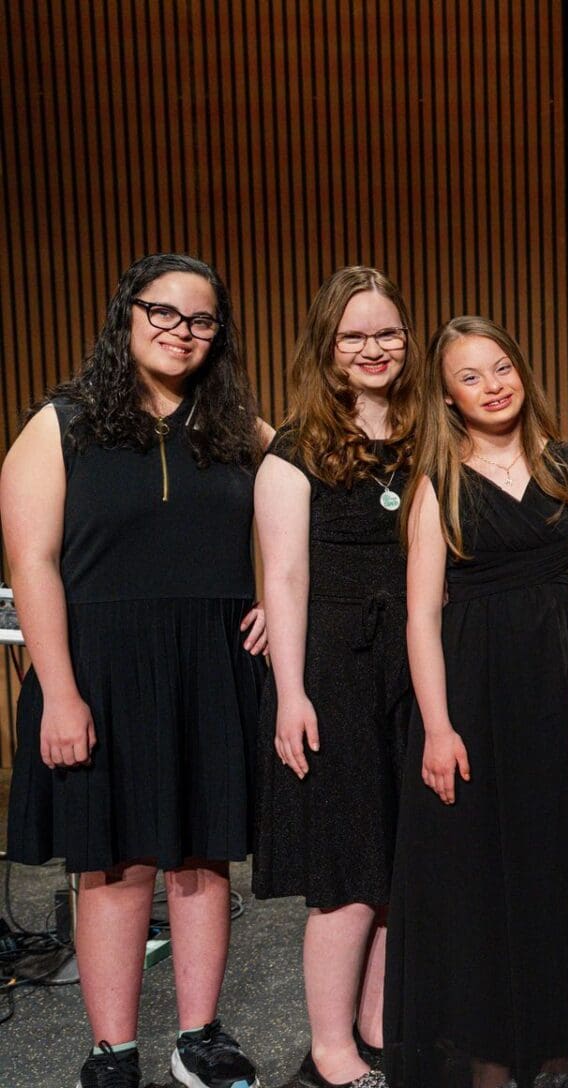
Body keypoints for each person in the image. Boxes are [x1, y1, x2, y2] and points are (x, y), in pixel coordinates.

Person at [2, 253, 272, 1088]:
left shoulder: (240, 431)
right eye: (164, 312)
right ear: (128, 313)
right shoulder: (61, 424)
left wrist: (282, 602)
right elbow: (33, 564)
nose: (181, 332)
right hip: (99, 670)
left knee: (202, 861)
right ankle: (112, 1052)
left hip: (211, 665)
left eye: (201, 320)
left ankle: (199, 1039)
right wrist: (59, 692)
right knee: (114, 865)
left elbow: (316, 513)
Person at [385, 316, 568, 1088]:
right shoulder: (435, 480)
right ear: (447, 397)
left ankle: (558, 1041)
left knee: (561, 866)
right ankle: (491, 1053)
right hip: (475, 695)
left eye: (501, 368)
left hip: (562, 689)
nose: (492, 386)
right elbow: (421, 617)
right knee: (480, 877)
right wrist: (437, 728)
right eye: (470, 377)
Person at [253, 266, 423, 1088]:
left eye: (386, 332)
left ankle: (378, 1023)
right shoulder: (296, 449)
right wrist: (291, 694)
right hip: (336, 669)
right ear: (326, 346)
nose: (373, 348)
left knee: (399, 863)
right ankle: (328, 1048)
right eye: (354, 335)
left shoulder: (431, 436)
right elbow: (284, 578)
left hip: (417, 664)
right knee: (348, 869)